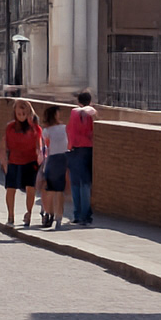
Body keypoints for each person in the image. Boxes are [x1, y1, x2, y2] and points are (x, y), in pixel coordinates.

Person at [0, 99, 41, 227]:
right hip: (14, 161)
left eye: (23, 113)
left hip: (30, 161)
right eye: (19, 113)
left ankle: (29, 213)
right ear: (15, 113)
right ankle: (10, 216)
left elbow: (39, 145)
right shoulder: (10, 128)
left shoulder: (34, 128)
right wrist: (4, 162)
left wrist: (40, 159)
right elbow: (3, 146)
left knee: (30, 188)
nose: (21, 116)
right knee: (10, 189)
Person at [68, 89, 97, 225]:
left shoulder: (73, 112)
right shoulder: (90, 112)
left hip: (74, 149)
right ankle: (85, 215)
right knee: (85, 183)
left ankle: (77, 214)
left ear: (78, 101)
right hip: (87, 149)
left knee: (75, 183)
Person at [39, 105, 69, 231]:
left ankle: (52, 214)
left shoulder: (48, 131)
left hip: (55, 159)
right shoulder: (61, 129)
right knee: (57, 190)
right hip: (60, 158)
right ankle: (56, 216)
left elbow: (47, 145)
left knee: (54, 190)